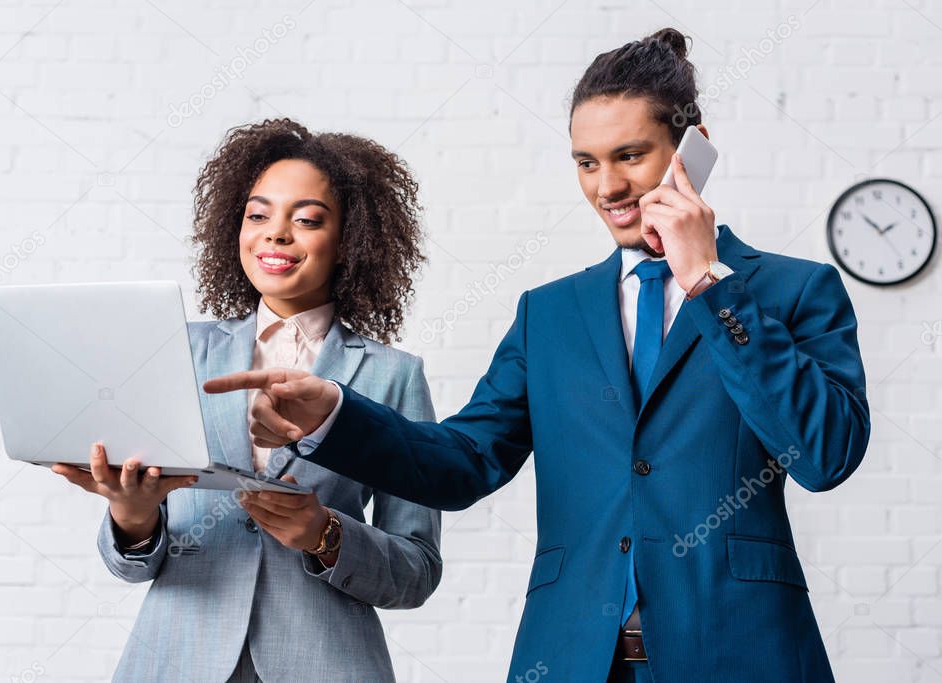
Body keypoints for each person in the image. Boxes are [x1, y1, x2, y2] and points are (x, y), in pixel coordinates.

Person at [205, 29, 871, 683]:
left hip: (743, 655)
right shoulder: (549, 315)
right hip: (571, 658)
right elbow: (463, 462)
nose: (606, 186)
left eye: (628, 155)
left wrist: (706, 283)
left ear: (690, 148)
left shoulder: (790, 291)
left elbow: (822, 454)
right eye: (585, 162)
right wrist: (336, 416)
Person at [52, 118, 442, 683]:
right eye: (258, 215)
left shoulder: (392, 376)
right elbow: (131, 565)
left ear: (351, 239)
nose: (275, 234)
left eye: (306, 220)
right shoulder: (176, 352)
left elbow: (417, 569)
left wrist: (324, 535)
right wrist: (132, 516)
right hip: (176, 660)